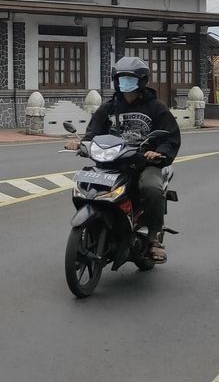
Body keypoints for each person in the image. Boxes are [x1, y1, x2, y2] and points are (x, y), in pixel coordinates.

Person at [64, 56, 181, 262]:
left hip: (144, 163)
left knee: (151, 187)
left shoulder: (156, 108)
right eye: (121, 78)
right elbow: (93, 132)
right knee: (86, 183)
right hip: (111, 162)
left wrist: (158, 152)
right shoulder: (109, 108)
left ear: (142, 80)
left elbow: (170, 137)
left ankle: (153, 238)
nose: (124, 83)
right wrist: (81, 143)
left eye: (130, 78)